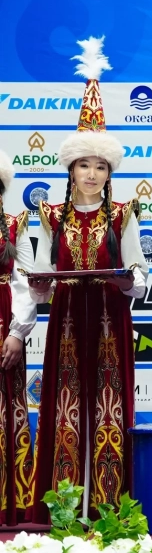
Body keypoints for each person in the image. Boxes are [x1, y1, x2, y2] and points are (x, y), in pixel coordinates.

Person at [27, 36, 149, 523]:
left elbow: (140, 275)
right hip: (66, 323)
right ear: (70, 168)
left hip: (110, 321)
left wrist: (126, 283)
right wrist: (39, 286)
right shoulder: (50, 215)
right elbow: (39, 273)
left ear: (109, 171)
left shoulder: (123, 214)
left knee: (109, 409)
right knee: (65, 409)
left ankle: (108, 508)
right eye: (84, 165)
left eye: (100, 166)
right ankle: (62, 510)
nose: (92, 174)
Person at [0, 150, 36, 526]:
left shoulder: (14, 225)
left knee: (8, 409)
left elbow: (24, 282)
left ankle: (10, 502)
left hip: (3, 325)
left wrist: (17, 333)